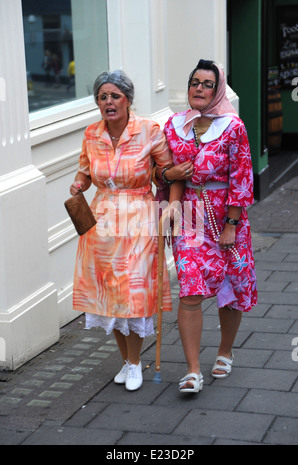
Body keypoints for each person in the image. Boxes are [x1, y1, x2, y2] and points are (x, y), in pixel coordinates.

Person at [70, 70, 178, 391]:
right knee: (109, 297)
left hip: (139, 218)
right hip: (101, 223)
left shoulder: (148, 131)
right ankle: (128, 362)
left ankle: (135, 365)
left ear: (128, 99)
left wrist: (176, 181)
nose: (108, 102)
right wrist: (79, 184)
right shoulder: (91, 134)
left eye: (115, 96)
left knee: (133, 294)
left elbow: (166, 170)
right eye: (102, 97)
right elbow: (85, 170)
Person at [162, 59, 257, 393]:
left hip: (226, 218)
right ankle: (191, 371)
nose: (199, 89)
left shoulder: (233, 127)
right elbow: (164, 170)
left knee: (230, 289)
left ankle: (225, 351)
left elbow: (242, 177)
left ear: (217, 91)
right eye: (194, 82)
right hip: (189, 217)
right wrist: (168, 181)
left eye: (207, 84)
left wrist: (231, 223)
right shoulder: (174, 125)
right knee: (190, 290)